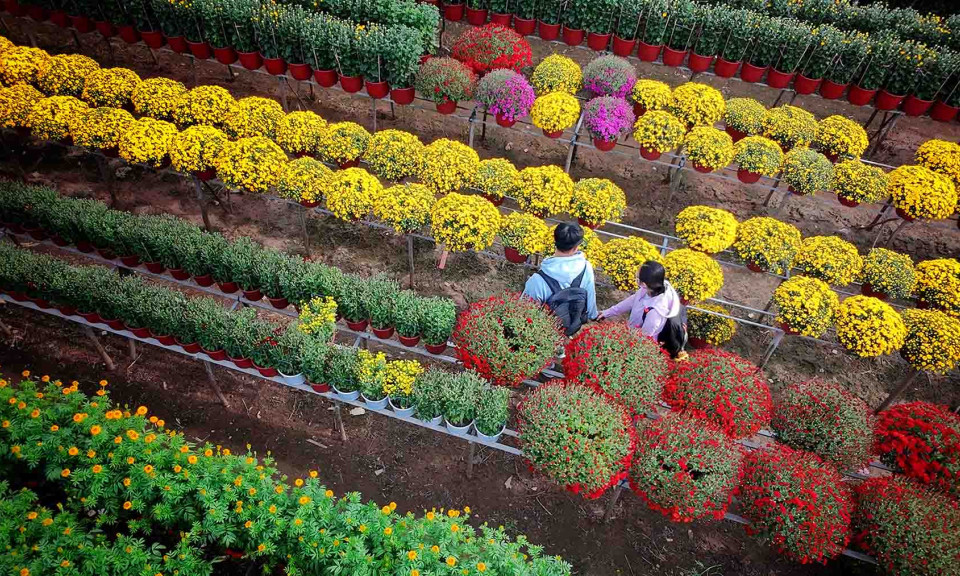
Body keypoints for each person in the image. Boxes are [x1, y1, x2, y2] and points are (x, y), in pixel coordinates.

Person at [598, 260, 687, 358]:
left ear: (644, 284)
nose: (636, 277)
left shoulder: (656, 312)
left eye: (637, 277)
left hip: (644, 349)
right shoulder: (650, 289)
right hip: (633, 335)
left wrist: (624, 348)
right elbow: (632, 300)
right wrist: (607, 313)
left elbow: (643, 337)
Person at [523, 222, 598, 336]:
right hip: (572, 326)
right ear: (577, 246)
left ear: (555, 240)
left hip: (545, 333)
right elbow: (590, 298)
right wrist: (593, 315)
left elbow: (524, 312)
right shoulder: (586, 267)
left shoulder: (537, 280)